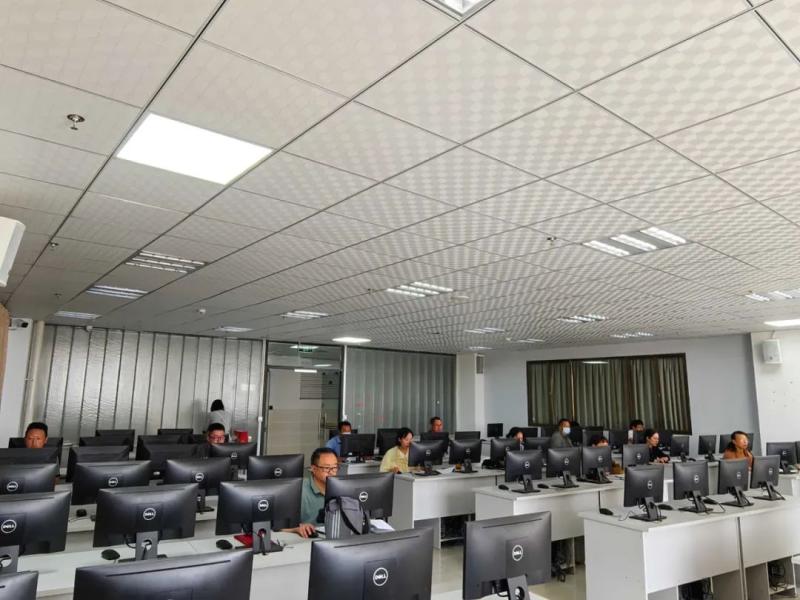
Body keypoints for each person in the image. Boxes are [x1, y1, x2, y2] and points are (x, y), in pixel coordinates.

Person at [283, 447, 338, 539]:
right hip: (305, 540)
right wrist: (296, 528)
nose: (332, 472)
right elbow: (277, 525)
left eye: (335, 467)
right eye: (327, 468)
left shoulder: (340, 489)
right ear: (313, 469)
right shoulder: (298, 490)